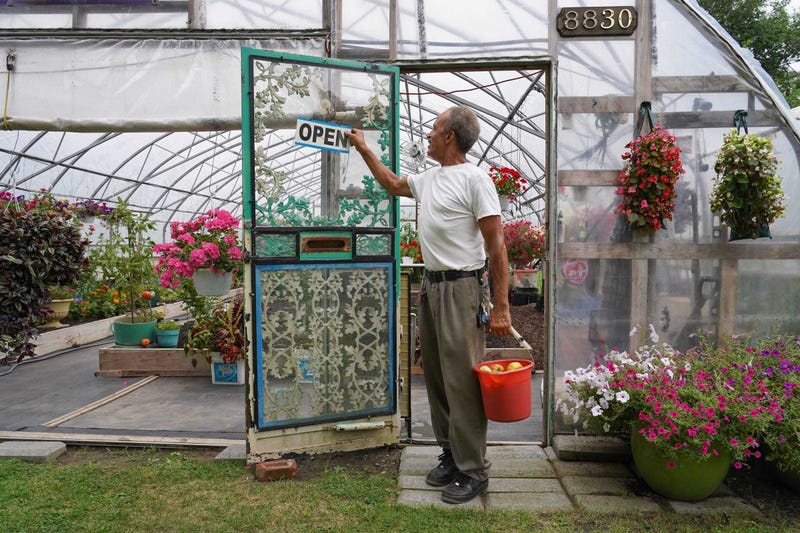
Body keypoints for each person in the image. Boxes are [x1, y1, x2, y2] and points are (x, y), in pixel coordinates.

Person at [348, 105, 512, 504]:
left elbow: (497, 246)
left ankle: (474, 470)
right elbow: (391, 184)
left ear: (451, 137)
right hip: (432, 287)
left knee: (463, 381)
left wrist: (502, 307)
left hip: (461, 289)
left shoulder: (476, 180)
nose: (428, 135)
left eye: (434, 129)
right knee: (436, 376)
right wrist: (364, 149)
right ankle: (451, 455)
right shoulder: (429, 178)